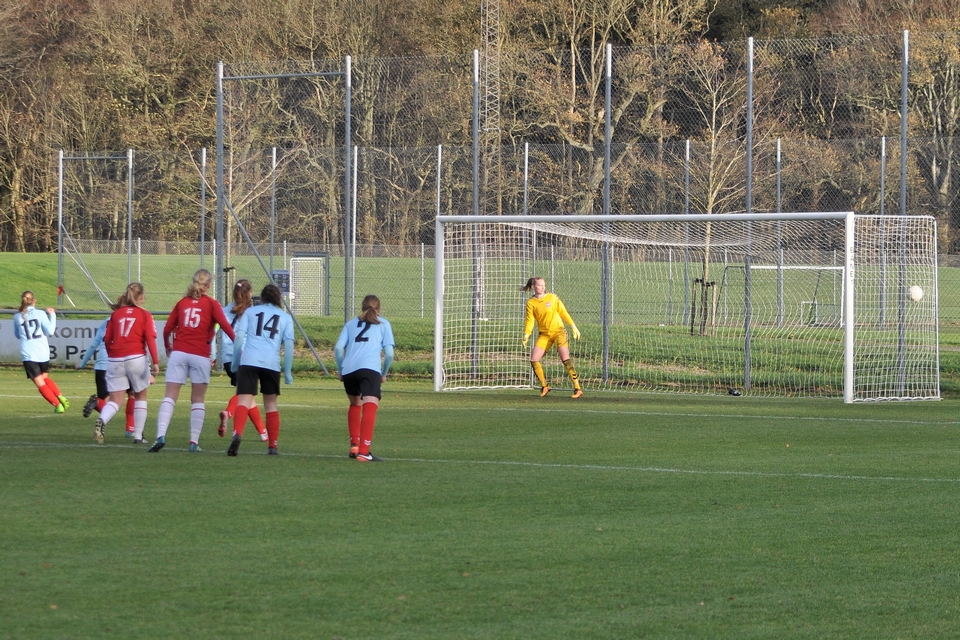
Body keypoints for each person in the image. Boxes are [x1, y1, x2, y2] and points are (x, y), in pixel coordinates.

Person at [149, 269, 234, 453]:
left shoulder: (182, 303)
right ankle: (193, 442)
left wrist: (168, 346)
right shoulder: (212, 304)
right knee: (197, 399)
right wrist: (239, 344)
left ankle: (160, 435)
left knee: (170, 396)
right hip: (200, 354)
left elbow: (167, 328)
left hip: (179, 352)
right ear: (208, 285)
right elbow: (225, 326)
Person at [227, 283, 294, 457]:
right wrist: (287, 372)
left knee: (244, 401)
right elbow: (289, 346)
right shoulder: (285, 317)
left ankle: (237, 434)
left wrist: (235, 363)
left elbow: (239, 337)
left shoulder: (250, 312)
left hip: (249, 360)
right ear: (278, 299)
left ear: (262, 298)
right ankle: (273, 445)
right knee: (270, 404)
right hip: (271, 363)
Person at [95, 282, 159, 445]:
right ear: (141, 296)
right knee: (140, 396)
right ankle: (138, 436)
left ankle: (102, 419)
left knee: (115, 400)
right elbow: (150, 339)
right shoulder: (145, 314)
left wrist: (112, 354)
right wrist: (156, 362)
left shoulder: (116, 314)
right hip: (136, 358)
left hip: (115, 360)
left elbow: (107, 339)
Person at [334, 294, 395, 462]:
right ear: (379, 309)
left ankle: (355, 445)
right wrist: (383, 374)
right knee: (370, 405)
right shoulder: (384, 324)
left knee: (355, 404)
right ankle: (364, 452)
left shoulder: (350, 324)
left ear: (362, 308)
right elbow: (390, 354)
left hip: (349, 370)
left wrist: (341, 370)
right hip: (369, 369)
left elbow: (338, 348)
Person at [216, 279, 267, 443]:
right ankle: (228, 413)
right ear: (249, 293)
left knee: (248, 395)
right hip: (246, 357)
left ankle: (263, 432)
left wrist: (211, 354)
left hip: (228, 358)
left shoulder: (224, 311)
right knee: (244, 394)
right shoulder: (253, 313)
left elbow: (214, 331)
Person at [76, 317, 140, 440]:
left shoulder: (106, 322)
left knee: (109, 401)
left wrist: (82, 364)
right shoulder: (131, 319)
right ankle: (130, 428)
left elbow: (93, 345)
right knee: (132, 394)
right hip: (122, 364)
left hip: (102, 367)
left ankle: (97, 403)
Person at [521, 277, 583, 399]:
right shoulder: (531, 303)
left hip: (559, 332)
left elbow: (563, 312)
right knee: (534, 359)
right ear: (533, 287)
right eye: (540, 285)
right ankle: (545, 386)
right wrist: (526, 334)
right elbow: (530, 321)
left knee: (565, 358)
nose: (543, 287)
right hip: (544, 335)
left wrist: (573, 326)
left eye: (544, 285)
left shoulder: (552, 298)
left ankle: (578, 388)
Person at [14, 291, 69, 413]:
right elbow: (50, 331)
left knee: (40, 383)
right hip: (43, 352)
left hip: (29, 353)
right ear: (34, 301)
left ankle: (57, 405)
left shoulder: (17, 317)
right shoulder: (40, 313)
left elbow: (17, 335)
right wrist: (52, 315)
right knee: (44, 378)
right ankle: (60, 396)